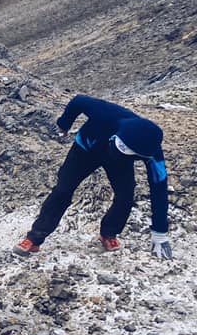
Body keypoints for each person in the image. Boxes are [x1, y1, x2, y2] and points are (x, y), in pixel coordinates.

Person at [13, 94, 172, 258]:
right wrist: (64, 124)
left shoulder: (153, 154)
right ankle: (34, 238)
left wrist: (160, 234)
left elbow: (159, 189)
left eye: (126, 151)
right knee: (62, 190)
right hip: (85, 151)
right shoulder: (107, 113)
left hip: (119, 164)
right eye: (120, 146)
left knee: (125, 197)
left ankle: (108, 233)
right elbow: (78, 101)